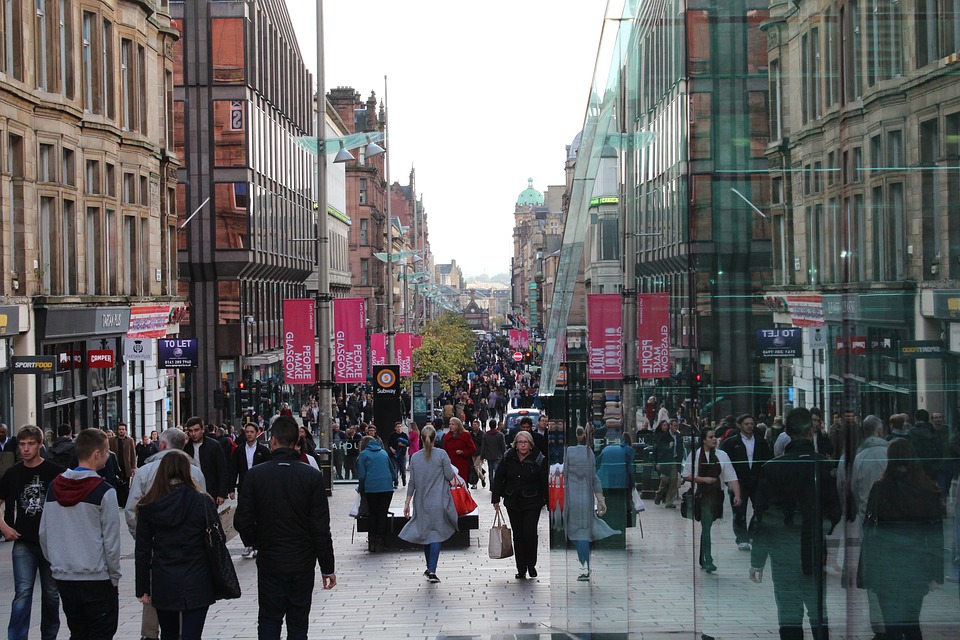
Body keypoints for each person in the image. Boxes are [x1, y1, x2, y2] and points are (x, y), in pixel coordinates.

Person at [234, 416, 336, 639]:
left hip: (271, 559)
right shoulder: (311, 476)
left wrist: (258, 540)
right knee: (298, 623)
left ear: (272, 441)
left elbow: (241, 520)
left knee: (269, 619)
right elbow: (320, 527)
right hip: (302, 561)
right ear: (296, 442)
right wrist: (327, 567)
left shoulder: (255, 475)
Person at [749, 408, 842, 640]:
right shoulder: (824, 465)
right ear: (812, 432)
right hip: (812, 545)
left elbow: (763, 516)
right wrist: (821, 526)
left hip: (782, 549)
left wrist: (758, 560)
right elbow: (836, 511)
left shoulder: (773, 467)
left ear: (787, 433)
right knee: (817, 609)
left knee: (789, 611)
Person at [125, 427, 206, 640]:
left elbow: (132, 511)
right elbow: (206, 516)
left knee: (157, 597)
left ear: (161, 445)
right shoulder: (195, 472)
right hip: (192, 557)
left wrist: (142, 536)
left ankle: (150, 634)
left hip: (158, 551)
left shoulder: (144, 472)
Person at [40, 428, 121, 639]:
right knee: (102, 632)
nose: (107, 456)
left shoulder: (53, 488)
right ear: (96, 454)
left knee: (78, 631)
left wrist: (58, 561)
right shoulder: (104, 491)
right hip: (96, 576)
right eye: (106, 452)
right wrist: (114, 576)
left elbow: (44, 533)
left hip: (64, 575)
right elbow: (111, 542)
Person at [860, 439, 943, 640]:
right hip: (916, 565)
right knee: (912, 622)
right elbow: (934, 535)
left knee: (892, 625)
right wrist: (935, 572)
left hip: (886, 565)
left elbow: (870, 530)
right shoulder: (928, 489)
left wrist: (866, 570)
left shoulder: (881, 488)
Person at [135, 451, 223, 640]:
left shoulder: (148, 505)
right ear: (187, 472)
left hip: (164, 578)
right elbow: (217, 538)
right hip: (197, 576)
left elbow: (142, 549)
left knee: (169, 633)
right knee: (192, 634)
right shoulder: (203, 500)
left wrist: (142, 587)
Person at [0, 425, 64, 640]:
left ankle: (49, 635)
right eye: (22, 444)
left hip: (51, 542)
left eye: (30, 444)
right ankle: (17, 637)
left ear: (39, 445)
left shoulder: (55, 472)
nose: (26, 449)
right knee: (23, 593)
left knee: (51, 594)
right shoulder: (13, 473)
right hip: (24, 541)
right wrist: (4, 527)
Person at [399, 424, 458, 583]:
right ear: (434, 439)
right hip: (438, 501)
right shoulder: (441, 455)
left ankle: (429, 567)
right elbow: (449, 475)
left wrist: (407, 502)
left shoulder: (415, 457)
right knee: (436, 534)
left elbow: (412, 482)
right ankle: (432, 570)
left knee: (426, 533)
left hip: (421, 502)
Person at [683, 427, 742, 573]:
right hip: (703, 495)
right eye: (710, 437)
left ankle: (704, 557)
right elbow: (686, 475)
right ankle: (708, 558)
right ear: (703, 440)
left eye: (714, 436)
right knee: (707, 525)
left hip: (717, 496)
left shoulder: (722, 455)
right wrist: (704, 479)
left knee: (707, 527)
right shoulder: (696, 455)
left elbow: (731, 476)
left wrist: (737, 495)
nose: (714, 439)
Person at [563, 426, 619, 580]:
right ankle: (585, 565)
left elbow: (563, 476)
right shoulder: (590, 455)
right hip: (586, 500)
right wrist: (601, 500)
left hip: (572, 500)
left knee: (577, 533)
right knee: (583, 532)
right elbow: (595, 479)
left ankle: (584, 565)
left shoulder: (568, 454)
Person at [492, 430, 548, 580]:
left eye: (525, 442)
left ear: (530, 445)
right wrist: (495, 498)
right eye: (520, 442)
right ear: (515, 445)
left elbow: (544, 482)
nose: (522, 445)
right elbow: (499, 477)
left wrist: (549, 502)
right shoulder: (508, 457)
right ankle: (521, 567)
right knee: (518, 535)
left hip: (532, 501)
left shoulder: (539, 458)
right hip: (513, 501)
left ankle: (531, 564)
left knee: (529, 533)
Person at [721, 413, 772, 550]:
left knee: (760, 508)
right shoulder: (731, 443)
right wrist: (729, 482)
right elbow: (724, 463)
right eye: (746, 424)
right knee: (739, 511)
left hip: (757, 482)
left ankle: (751, 533)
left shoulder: (761, 442)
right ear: (739, 425)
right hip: (739, 482)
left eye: (751, 424)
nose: (749, 426)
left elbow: (768, 461)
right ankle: (742, 538)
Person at [228, 423, 271, 559]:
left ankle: (257, 545)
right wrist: (230, 489)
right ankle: (248, 544)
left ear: (257, 433)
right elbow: (233, 470)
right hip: (244, 488)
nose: (249, 434)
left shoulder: (263, 451)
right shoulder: (239, 450)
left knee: (259, 517)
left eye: (252, 432)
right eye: (247, 432)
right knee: (243, 518)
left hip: (260, 489)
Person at [357, 434, 396, 552]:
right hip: (387, 487)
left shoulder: (363, 455)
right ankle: (381, 541)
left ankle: (372, 542)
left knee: (372, 514)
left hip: (371, 487)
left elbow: (362, 475)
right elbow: (392, 471)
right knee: (382, 514)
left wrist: (361, 488)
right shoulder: (383, 453)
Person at [182, 417, 229, 505]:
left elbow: (222, 470)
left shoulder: (214, 445)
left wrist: (221, 493)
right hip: (190, 490)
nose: (193, 434)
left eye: (196, 430)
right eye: (190, 431)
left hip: (210, 490)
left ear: (203, 430)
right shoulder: (185, 447)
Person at [597, 433, 636, 535]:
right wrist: (633, 484)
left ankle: (609, 528)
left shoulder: (607, 449)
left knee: (610, 505)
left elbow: (598, 463)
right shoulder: (629, 450)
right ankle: (621, 529)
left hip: (607, 483)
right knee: (623, 506)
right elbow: (631, 468)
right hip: (623, 483)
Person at [654, 419, 683, 508]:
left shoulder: (678, 436)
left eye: (677, 426)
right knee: (665, 480)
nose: (675, 428)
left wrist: (680, 460)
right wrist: (658, 462)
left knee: (673, 480)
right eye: (674, 426)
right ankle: (659, 494)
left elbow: (680, 448)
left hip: (674, 460)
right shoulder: (665, 436)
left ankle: (669, 501)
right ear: (670, 426)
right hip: (666, 461)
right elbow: (659, 448)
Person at [110, 422, 137, 506]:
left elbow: (133, 454)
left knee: (126, 485)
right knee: (117, 484)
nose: (121, 431)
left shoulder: (129, 440)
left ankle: (125, 502)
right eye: (119, 429)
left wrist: (133, 467)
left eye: (123, 429)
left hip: (126, 466)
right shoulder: (112, 440)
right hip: (116, 465)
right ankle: (118, 502)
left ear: (125, 430)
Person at [443, 417, 477, 483]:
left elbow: (473, 450)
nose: (451, 426)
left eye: (453, 424)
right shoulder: (447, 437)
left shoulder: (465, 435)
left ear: (458, 425)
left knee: (463, 485)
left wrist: (463, 452)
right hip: (451, 466)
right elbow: (445, 451)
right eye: (450, 424)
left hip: (463, 466)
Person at [480, 418, 506, 486]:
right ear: (496, 425)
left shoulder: (485, 435)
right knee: (497, 471)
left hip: (489, 456)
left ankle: (492, 485)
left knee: (490, 471)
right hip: (498, 456)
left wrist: (482, 456)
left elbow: (483, 446)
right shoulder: (500, 435)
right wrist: (505, 455)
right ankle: (497, 485)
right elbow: (503, 446)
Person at [387, 422, 410, 488]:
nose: (399, 428)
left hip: (402, 454)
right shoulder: (392, 435)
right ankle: (396, 482)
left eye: (400, 426)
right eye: (398, 427)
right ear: (395, 428)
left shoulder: (404, 435)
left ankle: (403, 479)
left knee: (403, 468)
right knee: (395, 468)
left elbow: (408, 444)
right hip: (393, 454)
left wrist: (402, 445)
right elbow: (389, 444)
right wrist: (392, 449)